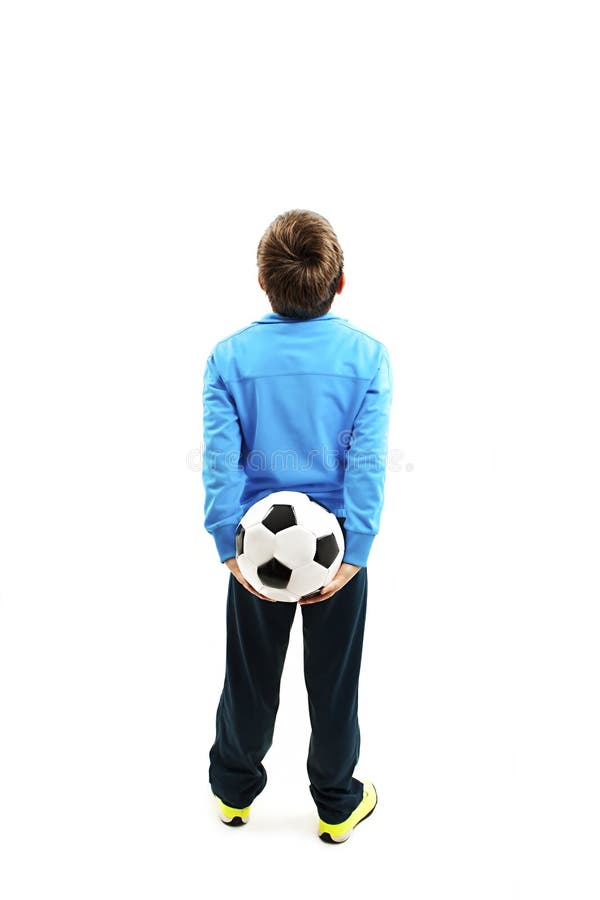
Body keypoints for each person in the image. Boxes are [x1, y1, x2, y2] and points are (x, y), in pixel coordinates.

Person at [202, 209, 393, 843]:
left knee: (250, 678)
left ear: (263, 282)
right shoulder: (367, 357)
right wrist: (356, 550)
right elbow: (366, 459)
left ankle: (233, 792)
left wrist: (228, 541)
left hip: (255, 551)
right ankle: (337, 802)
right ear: (341, 282)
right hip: (335, 551)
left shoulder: (229, 358)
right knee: (334, 683)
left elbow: (220, 457)